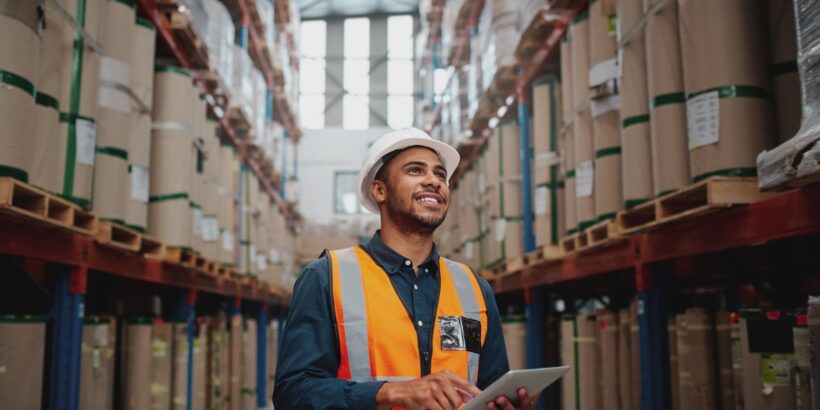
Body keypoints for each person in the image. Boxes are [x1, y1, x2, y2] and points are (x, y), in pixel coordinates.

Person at [273, 128, 538, 409]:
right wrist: (392, 393)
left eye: (440, 175)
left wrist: (505, 404)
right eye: (415, 170)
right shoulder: (327, 278)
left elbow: (488, 387)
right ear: (379, 190)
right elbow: (293, 393)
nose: (433, 181)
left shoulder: (472, 288)